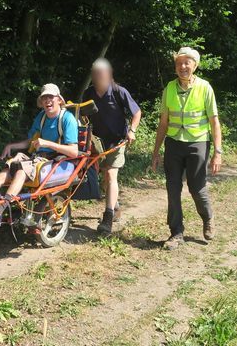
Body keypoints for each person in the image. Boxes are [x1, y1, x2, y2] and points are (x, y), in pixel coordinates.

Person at [0, 83, 79, 227]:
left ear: (59, 100)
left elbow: (73, 151)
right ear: (41, 102)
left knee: (21, 170)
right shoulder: (41, 117)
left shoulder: (67, 119)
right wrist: (11, 146)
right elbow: (31, 141)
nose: (47, 100)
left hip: (55, 159)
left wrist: (48, 144)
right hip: (37, 158)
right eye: (44, 98)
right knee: (9, 168)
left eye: (51, 97)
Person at [151, 47, 222, 250]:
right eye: (179, 63)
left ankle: (207, 218)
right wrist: (155, 153)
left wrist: (218, 152)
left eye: (187, 63)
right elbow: (163, 124)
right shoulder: (169, 89)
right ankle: (176, 233)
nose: (183, 67)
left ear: (195, 65)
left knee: (196, 187)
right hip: (173, 144)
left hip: (198, 143)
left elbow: (214, 122)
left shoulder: (205, 88)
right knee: (172, 189)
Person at [82, 58, 141, 234]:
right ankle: (115, 206)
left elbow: (136, 112)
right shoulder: (89, 93)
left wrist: (132, 130)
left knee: (109, 174)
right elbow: (83, 116)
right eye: (95, 73)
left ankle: (107, 219)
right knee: (103, 178)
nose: (98, 76)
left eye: (101, 72)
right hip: (97, 142)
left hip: (117, 141)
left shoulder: (118, 92)